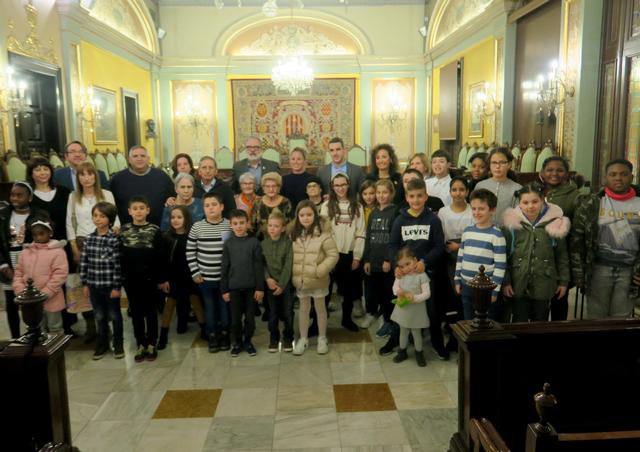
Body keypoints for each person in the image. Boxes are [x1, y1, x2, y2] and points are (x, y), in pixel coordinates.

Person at [386, 178, 448, 360]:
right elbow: (392, 245)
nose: (416, 200)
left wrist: (424, 261)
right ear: (406, 197)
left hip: (425, 273)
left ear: (426, 196)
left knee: (431, 310)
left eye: (419, 196)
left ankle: (437, 343)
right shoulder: (400, 220)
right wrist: (396, 266)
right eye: (412, 196)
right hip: (405, 275)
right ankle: (396, 341)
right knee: (402, 308)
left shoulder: (433, 220)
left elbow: (439, 246)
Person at [570, 159, 640, 319]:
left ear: (631, 177)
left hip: (629, 272)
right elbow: (577, 239)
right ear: (605, 177)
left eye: (623, 174)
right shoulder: (591, 203)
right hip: (598, 269)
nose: (618, 178)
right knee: (596, 318)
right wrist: (578, 272)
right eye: (613, 174)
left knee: (621, 318)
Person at [502, 184, 570, 322]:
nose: (530, 206)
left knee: (540, 322)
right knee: (519, 322)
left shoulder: (555, 223)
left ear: (542, 200)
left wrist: (563, 281)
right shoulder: (511, 226)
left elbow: (562, 256)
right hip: (518, 284)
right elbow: (504, 257)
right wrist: (506, 282)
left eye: (535, 201)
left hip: (544, 283)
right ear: (519, 204)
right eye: (525, 202)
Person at [27, 157, 75, 335]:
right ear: (31, 173)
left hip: (64, 244)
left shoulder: (64, 192)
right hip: (40, 248)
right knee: (45, 283)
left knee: (65, 284)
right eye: (37, 169)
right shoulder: (28, 195)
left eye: (45, 169)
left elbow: (72, 218)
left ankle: (68, 324)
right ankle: (45, 327)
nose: (42, 173)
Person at [120, 195, 168, 363]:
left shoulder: (155, 230)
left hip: (150, 279)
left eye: (142, 208)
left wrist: (162, 279)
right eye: (135, 209)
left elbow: (161, 256)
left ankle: (152, 343)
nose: (138, 211)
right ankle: (140, 343)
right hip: (131, 280)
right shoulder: (124, 230)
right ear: (129, 211)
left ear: (148, 210)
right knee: (136, 312)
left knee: (151, 311)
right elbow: (120, 256)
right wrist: (122, 277)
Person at [291, 200, 339, 355]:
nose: (306, 218)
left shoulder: (324, 235)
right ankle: (303, 338)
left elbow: (333, 255)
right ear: (297, 217)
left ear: (315, 215)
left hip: (318, 279)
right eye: (302, 215)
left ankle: (322, 338)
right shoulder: (294, 235)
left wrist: (320, 271)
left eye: (309, 214)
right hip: (301, 280)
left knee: (320, 309)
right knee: (303, 309)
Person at [320, 173, 366, 332]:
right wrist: (327, 255)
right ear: (332, 187)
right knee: (325, 289)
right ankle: (319, 322)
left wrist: (357, 256)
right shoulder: (326, 206)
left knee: (348, 290)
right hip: (330, 253)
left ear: (348, 185)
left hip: (349, 254)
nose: (340, 188)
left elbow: (360, 232)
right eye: (337, 185)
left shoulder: (357, 206)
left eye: (343, 184)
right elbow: (323, 232)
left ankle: (346, 319)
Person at [187, 192, 232, 353]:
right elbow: (190, 251)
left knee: (225, 308)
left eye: (214, 204)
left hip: (225, 279)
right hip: (205, 278)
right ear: (203, 209)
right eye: (207, 205)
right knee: (210, 308)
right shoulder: (197, 227)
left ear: (222, 207)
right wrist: (195, 272)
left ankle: (225, 334)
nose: (210, 208)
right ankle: (212, 334)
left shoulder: (229, 225)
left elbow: (233, 251)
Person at [158, 205, 206, 350]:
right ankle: (163, 336)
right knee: (169, 305)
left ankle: (204, 330)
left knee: (196, 302)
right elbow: (163, 260)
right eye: (173, 217)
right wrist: (163, 279)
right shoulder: (166, 237)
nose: (175, 220)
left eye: (179, 217)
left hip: (190, 275)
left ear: (186, 218)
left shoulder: (192, 235)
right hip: (174, 276)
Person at [454, 189, 507, 320]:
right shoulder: (467, 231)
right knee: (468, 321)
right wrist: (457, 279)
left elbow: (500, 266)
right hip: (466, 285)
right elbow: (460, 258)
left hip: (486, 289)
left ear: (492, 210)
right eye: (474, 208)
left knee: (486, 323)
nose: (476, 212)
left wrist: (495, 291)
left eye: (481, 209)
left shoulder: (497, 235)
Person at [79, 202, 123, 360]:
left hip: (110, 286)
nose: (97, 219)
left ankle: (118, 344)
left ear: (110, 219)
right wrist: (84, 283)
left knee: (115, 316)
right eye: (95, 215)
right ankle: (102, 344)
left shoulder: (114, 240)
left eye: (102, 216)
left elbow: (117, 265)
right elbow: (84, 262)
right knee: (99, 316)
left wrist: (117, 287)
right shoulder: (89, 239)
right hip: (94, 285)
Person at [539, 156, 579, 320]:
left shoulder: (575, 196)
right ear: (542, 172)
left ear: (567, 174)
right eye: (550, 170)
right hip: (538, 253)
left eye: (560, 170)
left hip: (561, 255)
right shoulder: (535, 191)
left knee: (559, 299)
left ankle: (558, 331)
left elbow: (577, 229)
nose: (554, 174)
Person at [221, 209, 264, 357]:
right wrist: (224, 290)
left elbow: (259, 267)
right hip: (234, 289)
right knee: (235, 320)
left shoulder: (254, 242)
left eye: (241, 223)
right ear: (231, 225)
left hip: (251, 288)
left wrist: (260, 288)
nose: (239, 226)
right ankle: (238, 342)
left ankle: (248, 341)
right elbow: (224, 268)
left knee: (250, 319)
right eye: (235, 223)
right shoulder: (228, 244)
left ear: (247, 224)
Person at [13, 218, 68, 334]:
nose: (38, 237)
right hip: (30, 301)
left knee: (55, 327)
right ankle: (39, 346)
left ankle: (57, 346)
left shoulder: (57, 252)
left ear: (50, 233)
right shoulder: (25, 252)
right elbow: (18, 273)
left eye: (41, 234)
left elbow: (60, 274)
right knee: (36, 328)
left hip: (52, 298)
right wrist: (22, 292)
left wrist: (45, 293)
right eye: (35, 235)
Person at [66, 161, 120, 268]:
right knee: (86, 273)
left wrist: (116, 228)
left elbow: (115, 217)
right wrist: (74, 248)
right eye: (82, 175)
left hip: (105, 240)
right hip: (82, 241)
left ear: (95, 176)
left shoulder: (107, 194)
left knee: (106, 272)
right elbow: (69, 223)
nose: (86, 178)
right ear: (78, 178)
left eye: (90, 174)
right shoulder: (73, 196)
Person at [0, 182, 36, 338]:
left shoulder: (37, 214)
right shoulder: (2, 215)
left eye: (19, 195)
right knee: (11, 301)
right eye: (12, 195)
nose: (14, 198)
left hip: (30, 259)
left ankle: (34, 333)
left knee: (32, 299)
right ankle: (15, 337)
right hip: (9, 259)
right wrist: (3, 265)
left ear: (29, 198)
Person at [362, 179, 398, 331]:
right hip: (373, 259)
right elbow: (368, 237)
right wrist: (367, 259)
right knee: (371, 290)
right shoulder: (373, 213)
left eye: (385, 192)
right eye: (378, 192)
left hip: (386, 262)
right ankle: (370, 313)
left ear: (391, 193)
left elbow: (395, 239)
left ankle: (385, 317)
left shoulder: (395, 212)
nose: (381, 195)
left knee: (386, 292)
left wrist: (388, 259)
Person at [438, 177, 473, 332]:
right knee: (452, 291)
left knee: (465, 291)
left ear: (467, 191)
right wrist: (447, 248)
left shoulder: (472, 210)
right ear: (450, 192)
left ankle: (466, 323)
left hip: (468, 253)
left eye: (461, 189)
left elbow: (475, 234)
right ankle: (452, 324)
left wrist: (459, 246)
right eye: (454, 190)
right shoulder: (443, 211)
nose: (458, 193)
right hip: (449, 255)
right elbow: (441, 234)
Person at [109, 145, 174, 226]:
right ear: (129, 160)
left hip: (158, 227)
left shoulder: (162, 176)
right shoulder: (118, 179)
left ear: (148, 159)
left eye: (142, 156)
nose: (139, 158)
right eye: (135, 156)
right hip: (127, 229)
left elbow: (173, 198)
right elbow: (111, 204)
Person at [390, 247, 431, 367]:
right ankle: (402, 351)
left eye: (408, 264)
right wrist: (398, 291)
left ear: (415, 260)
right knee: (403, 331)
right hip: (403, 309)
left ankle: (419, 353)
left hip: (416, 310)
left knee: (416, 332)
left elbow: (427, 293)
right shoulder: (401, 275)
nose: (405, 268)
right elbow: (394, 288)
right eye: (402, 266)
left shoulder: (421, 275)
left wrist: (414, 298)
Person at [262, 210, 294, 352]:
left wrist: (281, 284)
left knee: (288, 313)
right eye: (270, 225)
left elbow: (288, 265)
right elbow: (262, 264)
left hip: (285, 285)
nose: (272, 229)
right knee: (273, 313)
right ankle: (274, 338)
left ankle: (288, 337)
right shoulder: (263, 244)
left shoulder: (288, 244)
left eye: (276, 226)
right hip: (270, 284)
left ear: (283, 228)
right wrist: (267, 278)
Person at [475, 148, 522, 226]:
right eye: (494, 162)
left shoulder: (517, 189)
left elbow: (518, 216)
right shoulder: (480, 186)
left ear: (509, 164)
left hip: (507, 231)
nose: (497, 166)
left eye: (502, 162)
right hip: (483, 229)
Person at [251, 172, 293, 239]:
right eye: (267, 186)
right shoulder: (257, 202)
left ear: (279, 187)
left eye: (274, 186)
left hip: (281, 240)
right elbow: (253, 225)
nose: (271, 189)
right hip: (261, 240)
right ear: (263, 188)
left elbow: (290, 225)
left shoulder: (285, 202)